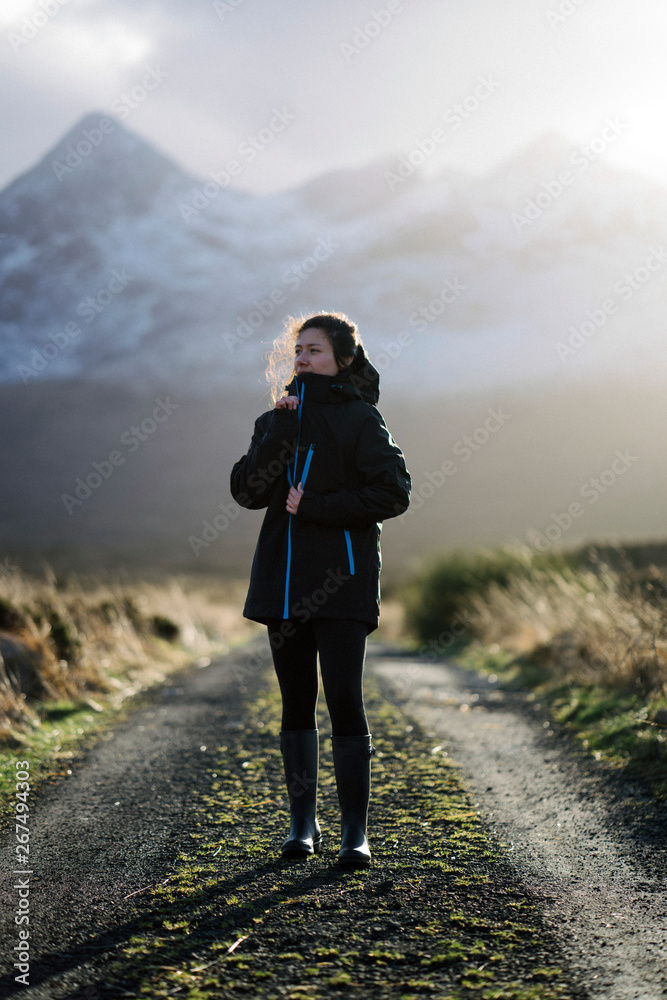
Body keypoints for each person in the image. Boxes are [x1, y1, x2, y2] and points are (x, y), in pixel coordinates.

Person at [230, 312, 411, 865]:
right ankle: (302, 828)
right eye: (299, 350)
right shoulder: (275, 420)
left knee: (345, 700)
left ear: (344, 358)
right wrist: (280, 429)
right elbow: (247, 491)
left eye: (314, 350)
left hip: (344, 584)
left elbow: (394, 492)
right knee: (295, 702)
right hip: (283, 585)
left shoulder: (361, 419)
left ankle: (355, 834)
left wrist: (319, 508)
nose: (303, 359)